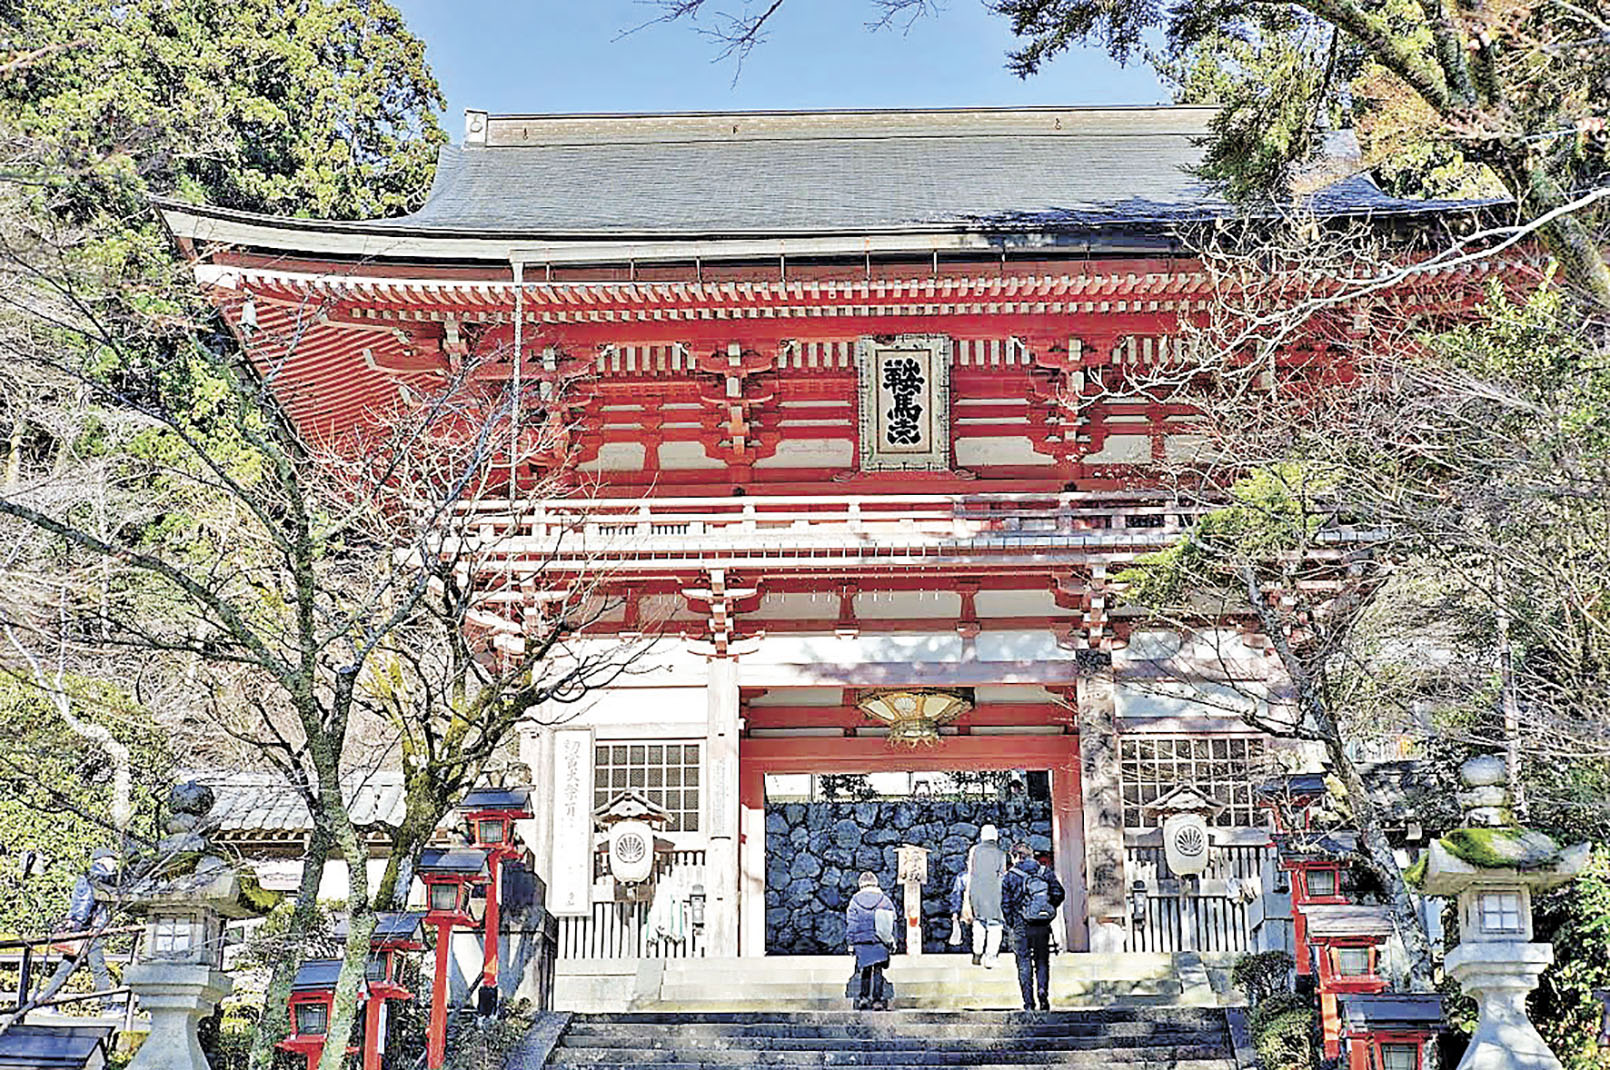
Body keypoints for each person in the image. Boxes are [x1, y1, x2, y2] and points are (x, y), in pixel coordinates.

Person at [47, 847, 117, 1005]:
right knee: (98, 968)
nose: (114, 864)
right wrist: (80, 922)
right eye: (112, 860)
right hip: (90, 930)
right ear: (103, 860)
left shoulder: (92, 876)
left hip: (84, 929)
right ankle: (108, 1005)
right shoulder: (97, 877)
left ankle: (45, 1000)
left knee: (66, 967)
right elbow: (85, 903)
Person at [1002, 841, 1065, 1011]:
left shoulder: (1010, 876)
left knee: (1023, 962)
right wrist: (1047, 908)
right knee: (1042, 960)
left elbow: (1005, 903)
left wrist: (1011, 922)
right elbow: (1059, 893)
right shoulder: (1045, 872)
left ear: (1015, 856)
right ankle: (1043, 992)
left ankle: (1028, 1002)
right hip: (1042, 923)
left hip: (1020, 923)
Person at [845, 871, 897, 1010]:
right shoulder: (884, 900)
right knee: (878, 970)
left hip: (862, 941)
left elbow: (852, 923)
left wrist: (850, 942)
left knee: (865, 969)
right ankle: (877, 1000)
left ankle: (864, 997)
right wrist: (893, 941)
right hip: (880, 940)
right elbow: (892, 922)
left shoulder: (855, 901)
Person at [965, 824, 1007, 967]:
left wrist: (967, 895)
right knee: (995, 925)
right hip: (995, 893)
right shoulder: (1001, 853)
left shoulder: (974, 851)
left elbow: (970, 872)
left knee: (978, 922)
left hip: (976, 892)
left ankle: (977, 951)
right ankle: (990, 956)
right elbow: (1002, 874)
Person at [947, 868, 970, 951]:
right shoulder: (963, 877)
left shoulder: (963, 877)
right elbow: (957, 895)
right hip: (969, 911)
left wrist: (955, 911)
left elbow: (956, 895)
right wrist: (955, 911)